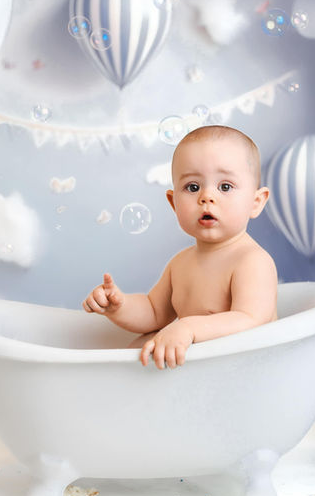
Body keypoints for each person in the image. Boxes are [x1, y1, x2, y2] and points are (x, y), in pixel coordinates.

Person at [82, 125, 277, 369]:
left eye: (225, 186)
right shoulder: (180, 263)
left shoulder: (252, 261)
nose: (207, 197)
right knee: (140, 345)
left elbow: (251, 320)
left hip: (245, 372)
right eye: (192, 187)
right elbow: (153, 313)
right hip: (197, 378)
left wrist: (187, 327)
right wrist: (119, 306)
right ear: (174, 203)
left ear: (256, 202)